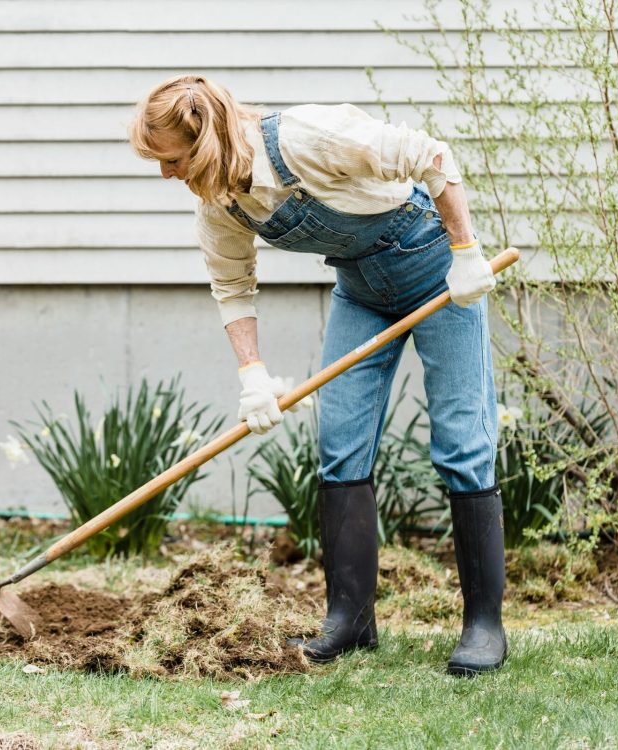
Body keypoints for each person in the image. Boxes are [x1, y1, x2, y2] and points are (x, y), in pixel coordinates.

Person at [129, 74, 506, 676]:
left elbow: (431, 156)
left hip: (439, 275)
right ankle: (350, 620)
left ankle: (484, 626)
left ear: (200, 143)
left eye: (170, 160)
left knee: (462, 442)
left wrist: (465, 252)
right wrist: (252, 374)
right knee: (340, 447)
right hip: (362, 292)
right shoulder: (222, 200)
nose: (166, 174)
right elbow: (232, 286)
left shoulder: (307, 137)